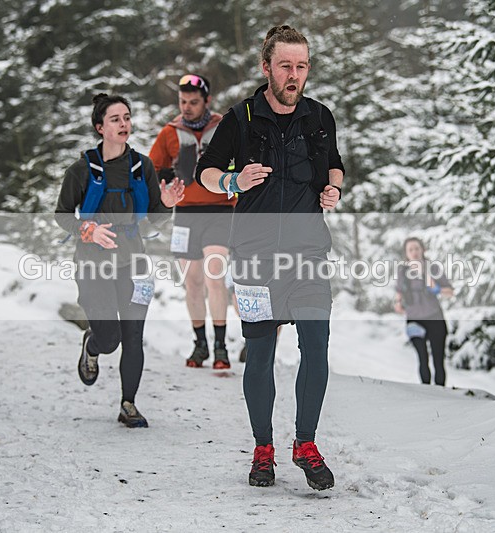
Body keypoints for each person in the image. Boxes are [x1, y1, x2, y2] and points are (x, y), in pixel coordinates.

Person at [196, 25, 343, 491]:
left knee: (316, 347)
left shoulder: (320, 117)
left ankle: (305, 443)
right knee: (259, 356)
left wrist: (334, 187)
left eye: (301, 66)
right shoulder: (239, 120)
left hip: (308, 254)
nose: (295, 75)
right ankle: (263, 449)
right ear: (267, 68)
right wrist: (233, 183)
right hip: (256, 258)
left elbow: (334, 162)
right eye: (286, 66)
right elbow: (205, 173)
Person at [55, 94, 185, 427]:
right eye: (115, 119)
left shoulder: (143, 167)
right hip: (92, 263)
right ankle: (93, 345)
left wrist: (167, 203)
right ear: (100, 127)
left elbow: (155, 219)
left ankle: (128, 404)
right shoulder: (82, 170)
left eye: (127, 117)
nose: (124, 124)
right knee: (110, 338)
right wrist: (88, 230)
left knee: (132, 335)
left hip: (134, 262)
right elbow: (62, 215)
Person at [149, 74, 238, 369]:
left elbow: (244, 159)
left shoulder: (225, 127)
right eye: (183, 102)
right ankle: (200, 343)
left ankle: (220, 346)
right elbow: (153, 170)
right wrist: (166, 182)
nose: (187, 107)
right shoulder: (170, 132)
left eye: (193, 102)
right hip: (186, 214)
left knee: (215, 275)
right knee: (193, 281)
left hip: (221, 211)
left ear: (207, 101)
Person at [394, 237, 454, 386]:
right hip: (414, 319)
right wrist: (398, 303)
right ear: (406, 253)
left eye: (416, 249)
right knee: (422, 357)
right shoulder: (402, 271)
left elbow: (449, 292)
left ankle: (441, 393)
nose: (414, 252)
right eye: (410, 250)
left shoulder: (433, 268)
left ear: (423, 250)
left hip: (435, 318)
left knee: (438, 360)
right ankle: (426, 393)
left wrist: (431, 282)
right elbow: (399, 292)